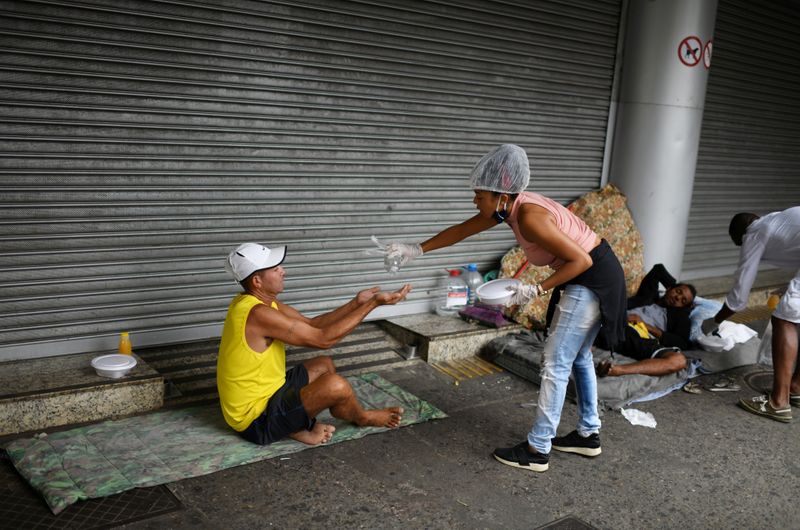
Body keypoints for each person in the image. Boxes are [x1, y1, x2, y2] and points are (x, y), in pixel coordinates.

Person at [379, 144, 627, 472]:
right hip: (596, 275)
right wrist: (415, 249)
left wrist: (535, 289)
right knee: (577, 356)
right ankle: (588, 434)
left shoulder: (529, 215)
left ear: (500, 195)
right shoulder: (510, 207)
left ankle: (538, 450)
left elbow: (581, 260)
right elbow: (462, 230)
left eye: (478, 195)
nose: (474, 201)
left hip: (591, 277)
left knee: (555, 363)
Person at [217, 242, 411, 445]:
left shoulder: (254, 302)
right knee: (336, 386)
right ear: (257, 281)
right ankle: (362, 417)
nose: (284, 271)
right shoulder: (258, 314)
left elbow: (313, 324)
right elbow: (323, 339)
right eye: (276, 269)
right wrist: (373, 304)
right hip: (256, 420)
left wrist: (357, 304)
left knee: (324, 364)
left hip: (271, 392)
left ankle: (296, 425)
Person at [702, 208, 800, 423]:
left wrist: (713, 321)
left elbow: (739, 298)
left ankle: (778, 403)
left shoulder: (755, 233)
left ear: (741, 235)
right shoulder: (777, 221)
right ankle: (795, 388)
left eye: (740, 243)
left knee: (784, 319)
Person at [595, 264, 697, 378]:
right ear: (669, 288)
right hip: (611, 321)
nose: (678, 298)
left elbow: (682, 343)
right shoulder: (647, 296)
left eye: (683, 301)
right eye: (678, 291)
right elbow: (658, 269)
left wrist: (645, 325)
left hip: (636, 334)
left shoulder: (679, 316)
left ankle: (617, 370)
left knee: (678, 360)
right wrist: (672, 288)